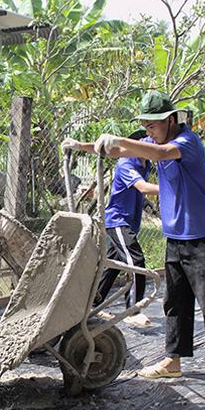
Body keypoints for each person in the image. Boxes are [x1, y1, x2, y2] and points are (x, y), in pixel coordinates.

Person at [76, 91, 205, 396]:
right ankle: (173, 361)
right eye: (145, 127)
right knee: (175, 301)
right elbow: (119, 150)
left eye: (152, 126)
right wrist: (84, 146)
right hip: (174, 237)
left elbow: (159, 155)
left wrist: (117, 138)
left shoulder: (186, 144)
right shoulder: (153, 143)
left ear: (170, 120)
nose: (148, 132)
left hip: (203, 235)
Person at [61, 128, 160, 327]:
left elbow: (135, 192)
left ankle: (91, 305)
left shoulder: (146, 163)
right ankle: (134, 310)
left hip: (129, 220)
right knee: (135, 261)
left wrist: (146, 205)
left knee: (111, 268)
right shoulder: (126, 163)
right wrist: (177, 189)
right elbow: (143, 187)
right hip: (117, 221)